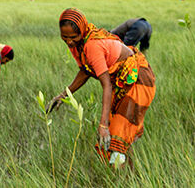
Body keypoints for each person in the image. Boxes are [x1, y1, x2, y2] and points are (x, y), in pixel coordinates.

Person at [47, 9, 155, 169]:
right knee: (116, 138)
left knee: (117, 135)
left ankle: (124, 178)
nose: (69, 41)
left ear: (82, 31)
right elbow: (86, 70)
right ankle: (131, 177)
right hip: (121, 84)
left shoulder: (91, 45)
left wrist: (103, 125)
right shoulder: (78, 44)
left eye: (73, 37)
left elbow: (106, 85)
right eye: (65, 37)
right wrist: (64, 95)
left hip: (137, 80)